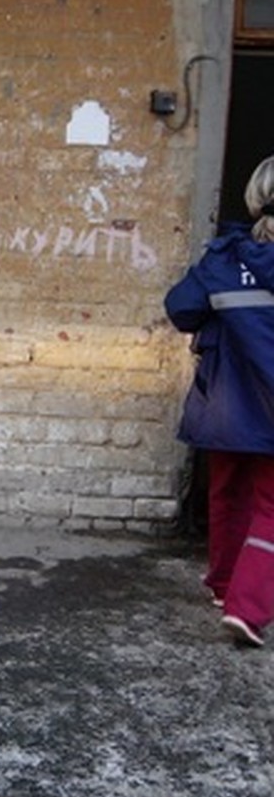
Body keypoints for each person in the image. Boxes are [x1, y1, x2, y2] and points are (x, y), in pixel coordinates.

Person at [165, 154, 274, 648]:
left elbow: (181, 309)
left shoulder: (224, 257)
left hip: (229, 406)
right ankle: (247, 609)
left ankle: (225, 585)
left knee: (226, 495)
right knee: (271, 508)